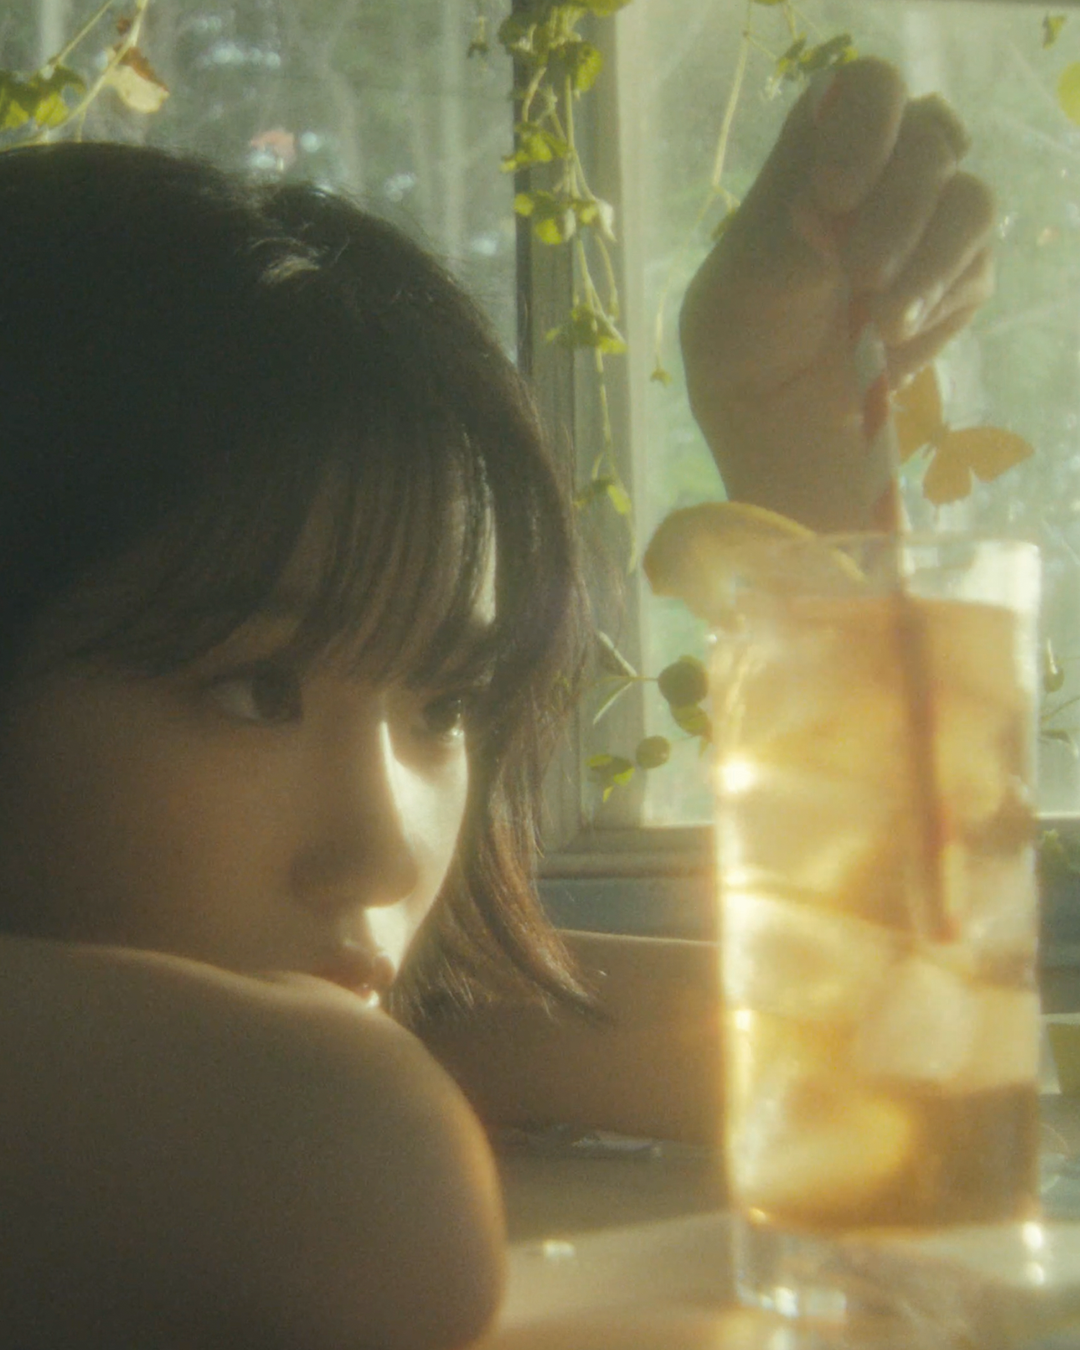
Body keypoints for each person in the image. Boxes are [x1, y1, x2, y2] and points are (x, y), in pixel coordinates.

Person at [0, 56, 994, 1349]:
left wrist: (795, 444)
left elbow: (896, 1037)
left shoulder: (344, 1009)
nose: (384, 850)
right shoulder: (318, 1116)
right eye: (257, 690)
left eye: (445, 704)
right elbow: (363, 1181)